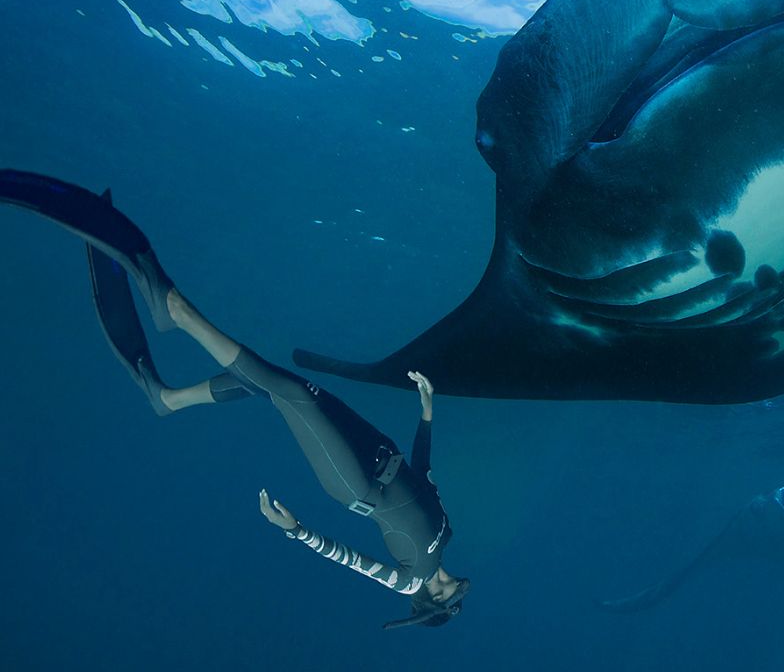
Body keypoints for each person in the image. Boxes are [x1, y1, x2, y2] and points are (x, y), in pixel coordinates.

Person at [0, 169, 470, 629]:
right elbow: (425, 474)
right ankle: (169, 399)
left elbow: (348, 559)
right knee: (269, 387)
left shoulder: (408, 584)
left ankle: (177, 313)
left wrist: (295, 530)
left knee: (287, 390)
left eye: (451, 599)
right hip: (381, 449)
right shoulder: (446, 534)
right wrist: (426, 412)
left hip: (356, 485)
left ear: (433, 604)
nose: (456, 588)